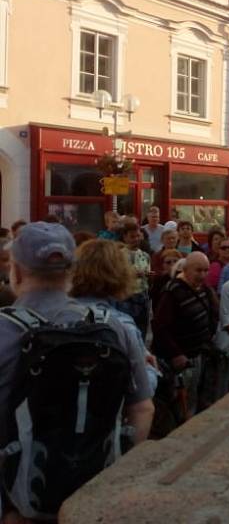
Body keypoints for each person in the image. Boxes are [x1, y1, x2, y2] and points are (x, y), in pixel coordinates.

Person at [0, 223, 154, 520]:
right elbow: (143, 408)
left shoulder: (5, 330)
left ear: (16, 271)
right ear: (71, 271)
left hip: (18, 501)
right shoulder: (113, 326)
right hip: (92, 498)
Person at [70, 239, 159, 397]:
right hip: (107, 415)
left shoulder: (57, 315)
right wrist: (151, 370)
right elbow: (141, 391)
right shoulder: (121, 324)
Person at [151, 251, 217, 417]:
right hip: (181, 359)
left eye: (206, 270)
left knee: (192, 396)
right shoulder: (172, 291)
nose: (203, 275)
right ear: (186, 269)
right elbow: (159, 327)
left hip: (197, 354)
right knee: (180, 401)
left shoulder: (203, 288)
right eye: (198, 270)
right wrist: (176, 354)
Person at [116, 220, 152, 337]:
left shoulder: (145, 255)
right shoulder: (119, 255)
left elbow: (146, 273)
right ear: (125, 237)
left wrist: (149, 275)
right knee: (128, 330)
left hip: (143, 295)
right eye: (132, 236)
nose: (136, 239)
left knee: (142, 330)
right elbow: (116, 275)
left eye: (138, 236)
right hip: (127, 296)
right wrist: (132, 274)